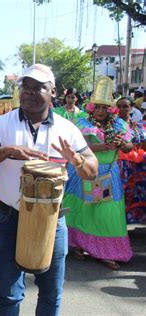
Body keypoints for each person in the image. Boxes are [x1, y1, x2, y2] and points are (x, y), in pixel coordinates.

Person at [0, 64, 98, 315]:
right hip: (9, 218)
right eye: (25, 87)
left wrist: (77, 160)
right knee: (9, 294)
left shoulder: (67, 129)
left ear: (53, 91)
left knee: (50, 293)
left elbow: (91, 170)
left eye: (37, 87)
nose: (28, 92)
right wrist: (7, 151)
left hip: (52, 220)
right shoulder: (1, 124)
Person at [63, 76, 134, 271]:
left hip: (109, 173)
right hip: (86, 170)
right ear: (92, 107)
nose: (101, 111)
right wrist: (105, 145)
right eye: (98, 107)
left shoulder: (119, 124)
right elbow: (82, 147)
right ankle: (77, 244)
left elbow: (128, 148)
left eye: (105, 107)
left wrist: (121, 144)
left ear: (111, 108)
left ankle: (106, 251)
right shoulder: (83, 122)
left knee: (106, 212)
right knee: (82, 208)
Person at [117, 97, 146, 223]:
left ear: (131, 107)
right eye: (120, 106)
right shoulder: (112, 123)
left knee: (134, 194)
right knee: (121, 193)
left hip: (136, 166)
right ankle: (118, 221)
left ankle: (130, 219)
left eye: (125, 106)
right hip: (119, 164)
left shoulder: (137, 125)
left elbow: (143, 143)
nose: (122, 109)